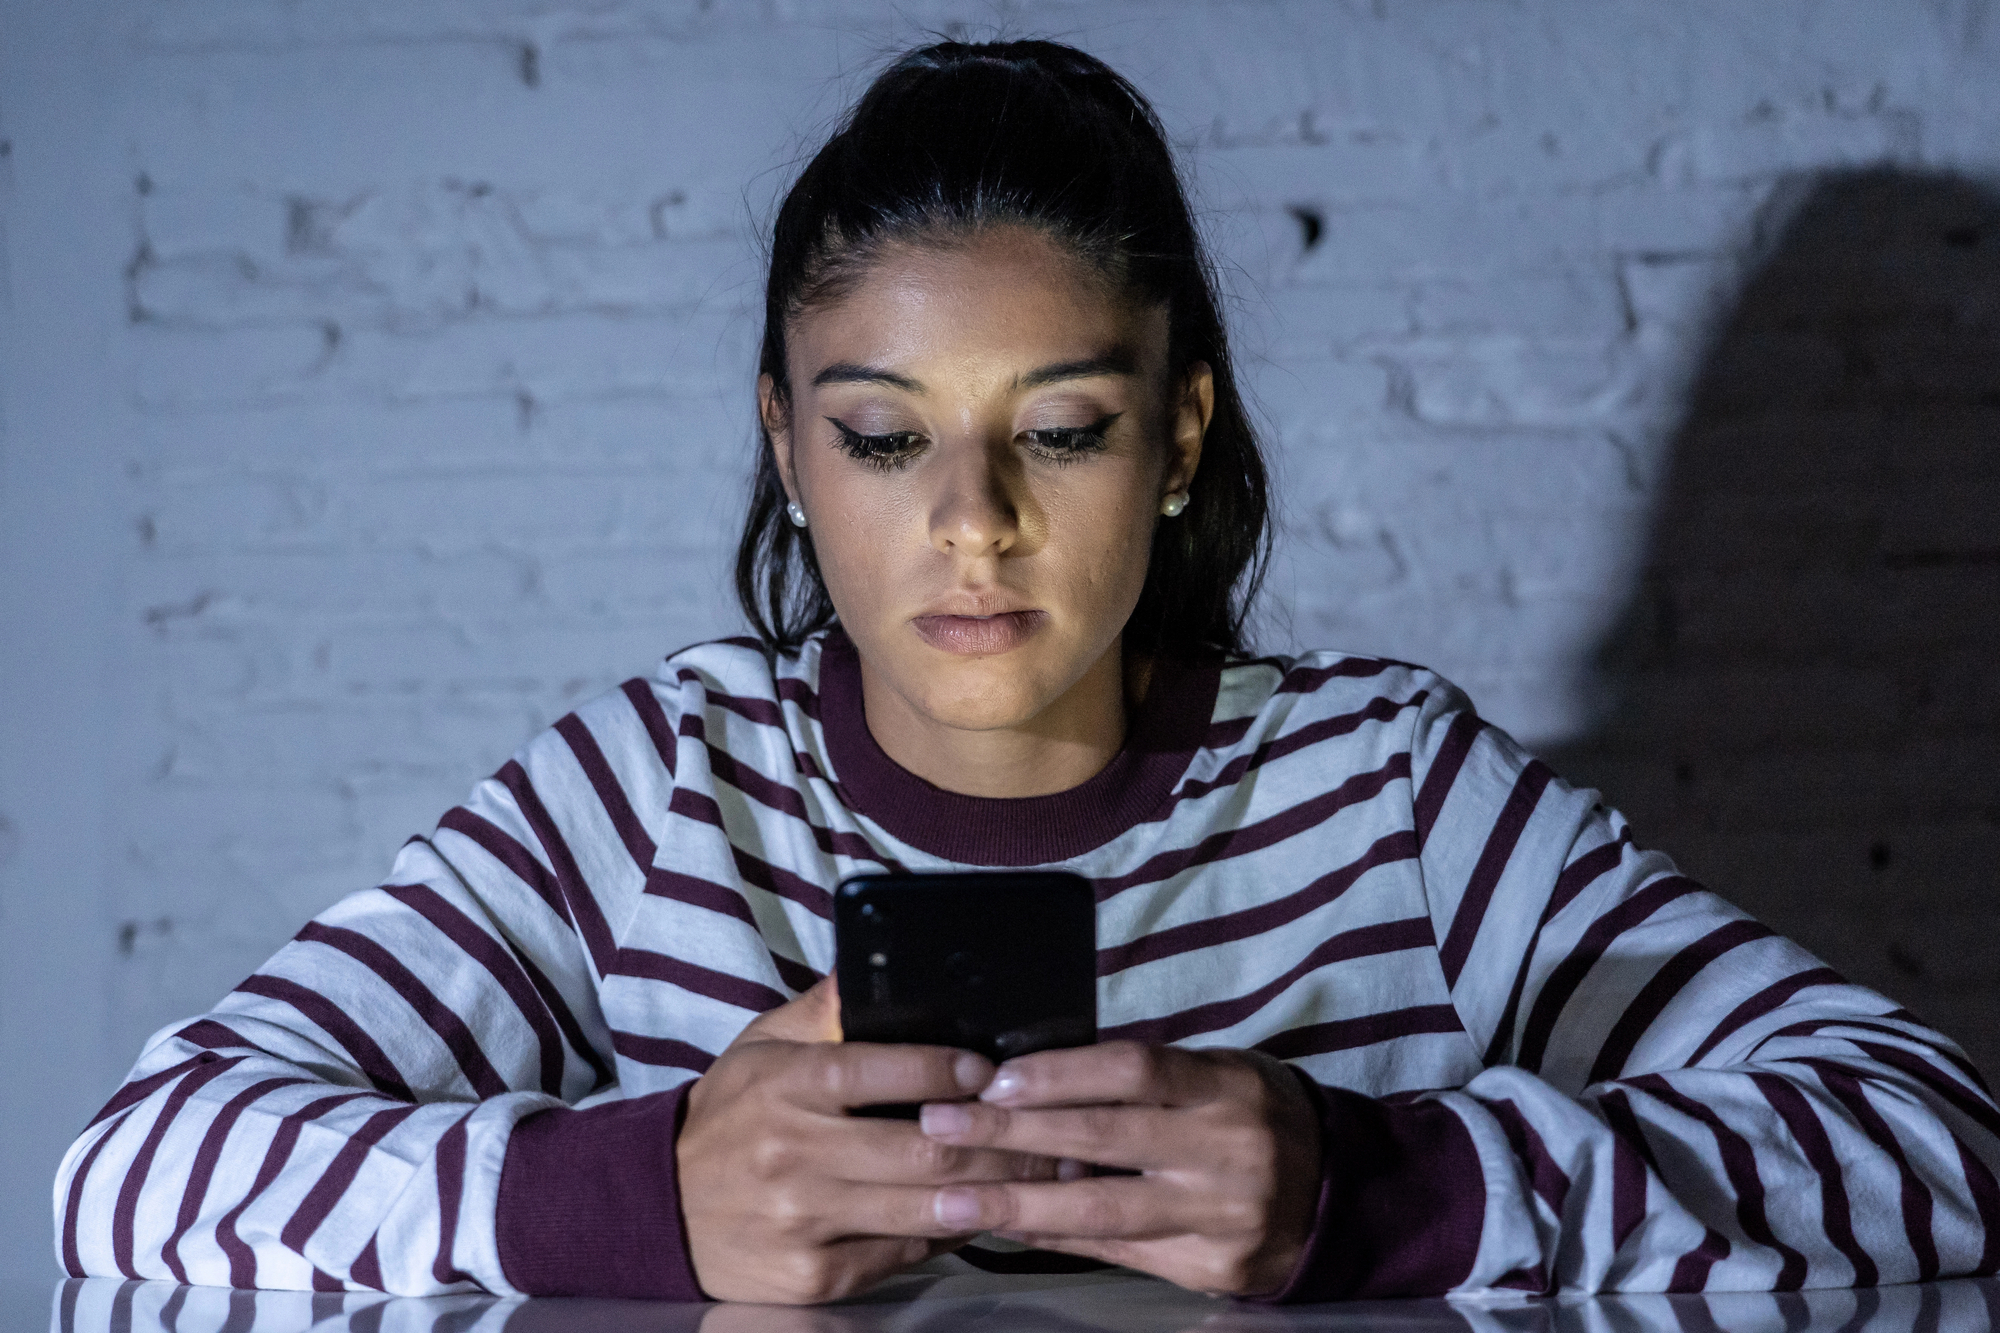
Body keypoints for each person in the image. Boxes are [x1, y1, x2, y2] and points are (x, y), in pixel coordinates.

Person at [56, 39, 2000, 1306]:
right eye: (885, 438)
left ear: (1173, 435)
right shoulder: (655, 782)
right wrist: (642, 1195)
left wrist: (1376, 1186)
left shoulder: (1387, 791)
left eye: (1057, 430)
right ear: (787, 450)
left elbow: (1934, 1154)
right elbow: (132, 1181)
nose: (970, 522)